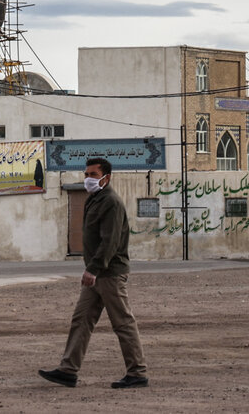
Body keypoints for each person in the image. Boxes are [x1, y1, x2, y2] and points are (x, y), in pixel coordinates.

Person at [38, 157, 148, 389]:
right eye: (86, 174)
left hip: (109, 273)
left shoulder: (111, 202)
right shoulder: (94, 199)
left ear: (106, 178)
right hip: (96, 273)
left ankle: (137, 372)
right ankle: (68, 371)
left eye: (93, 175)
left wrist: (94, 269)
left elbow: (110, 242)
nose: (88, 179)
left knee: (123, 322)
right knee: (82, 319)